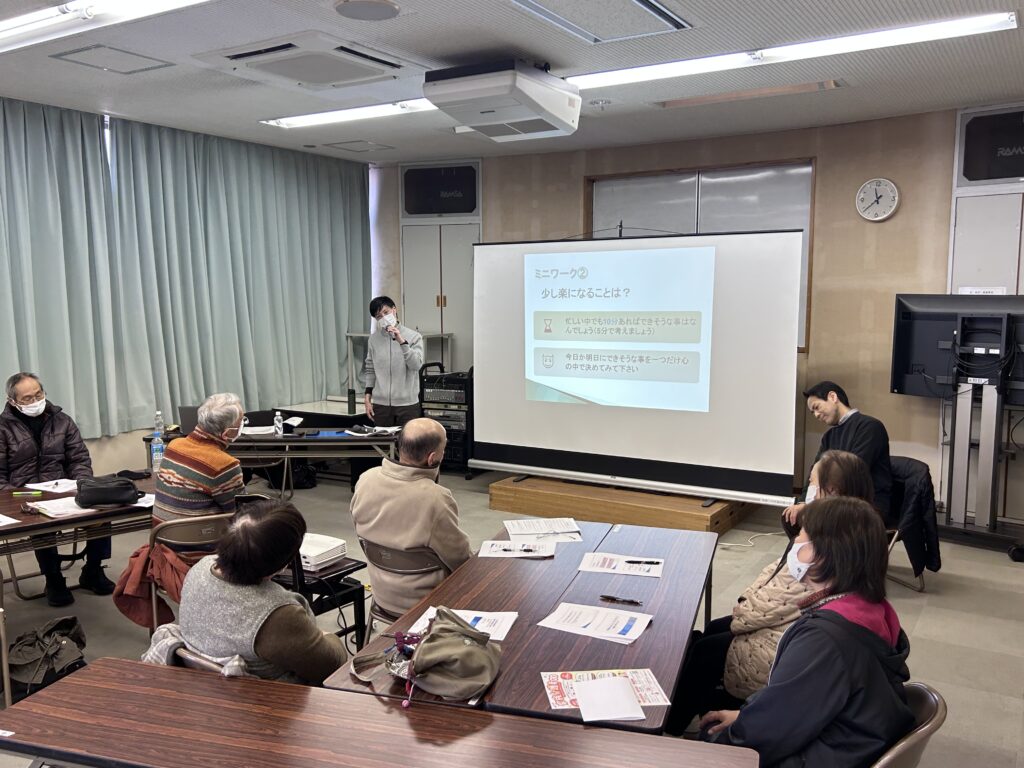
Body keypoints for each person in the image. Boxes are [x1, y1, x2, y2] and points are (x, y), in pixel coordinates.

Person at [665, 450, 875, 735]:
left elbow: (773, 599)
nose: (806, 494)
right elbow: (779, 579)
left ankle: (671, 727)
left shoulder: (826, 552)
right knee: (713, 630)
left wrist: (745, 609)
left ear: (832, 491)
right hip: (796, 629)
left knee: (707, 651)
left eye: (812, 484)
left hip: (789, 644)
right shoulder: (857, 531)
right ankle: (696, 709)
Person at [700, 496, 914, 767]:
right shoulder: (870, 608)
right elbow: (795, 706)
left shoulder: (824, 640)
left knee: (707, 739)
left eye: (801, 535)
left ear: (824, 553)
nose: (795, 543)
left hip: (823, 755)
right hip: (848, 741)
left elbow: (767, 735)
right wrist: (747, 716)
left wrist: (719, 743)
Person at [176, 499, 347, 684]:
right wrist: (325, 636)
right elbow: (332, 665)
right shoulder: (277, 614)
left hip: (200, 687)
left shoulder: (199, 570)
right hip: (264, 697)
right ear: (284, 564)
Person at [0, 372, 113, 606]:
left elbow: (79, 460)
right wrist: (14, 497)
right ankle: (53, 579)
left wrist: (82, 485)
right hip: (23, 496)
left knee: (101, 514)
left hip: (62, 490)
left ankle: (93, 570)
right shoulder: (2, 428)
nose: (35, 401)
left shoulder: (62, 421)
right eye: (27, 398)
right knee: (42, 525)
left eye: (38, 394)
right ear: (13, 401)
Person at [350, 417, 472, 616]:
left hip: (382, 597)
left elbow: (360, 531)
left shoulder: (366, 480)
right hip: (428, 605)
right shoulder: (436, 499)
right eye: (444, 448)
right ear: (432, 458)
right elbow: (461, 560)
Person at [784, 381, 892, 526]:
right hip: (835, 500)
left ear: (833, 397)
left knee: (817, 520)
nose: (816, 415)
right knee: (792, 518)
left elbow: (854, 472)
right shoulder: (829, 436)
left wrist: (819, 503)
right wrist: (803, 502)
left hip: (866, 503)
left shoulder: (870, 427)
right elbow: (815, 470)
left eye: (816, 407)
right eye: (812, 412)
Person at [153, 393, 245, 524]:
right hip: (201, 536)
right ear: (227, 433)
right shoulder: (224, 465)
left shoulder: (174, 445)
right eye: (241, 422)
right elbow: (240, 513)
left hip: (162, 533)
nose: (242, 425)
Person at [363, 296, 424, 428]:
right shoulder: (373, 340)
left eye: (386, 312)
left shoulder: (414, 337)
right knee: (382, 440)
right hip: (381, 405)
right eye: (379, 316)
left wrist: (402, 341)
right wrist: (367, 397)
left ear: (394, 310)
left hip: (407, 405)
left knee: (408, 441)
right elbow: (370, 369)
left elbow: (416, 365)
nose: (384, 318)